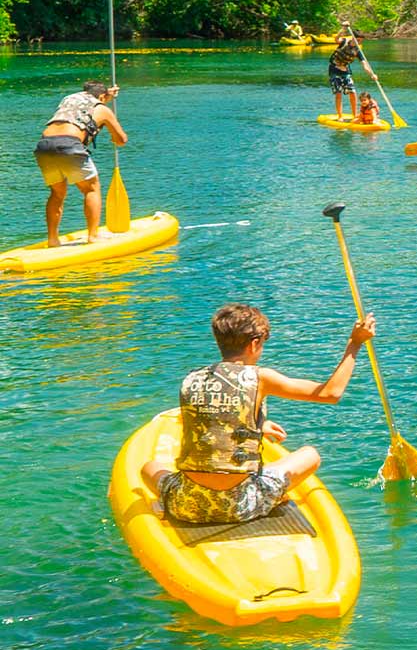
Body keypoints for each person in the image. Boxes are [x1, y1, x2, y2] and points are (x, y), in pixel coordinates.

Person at [141, 302, 376, 525]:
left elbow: (208, 418)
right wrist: (355, 343)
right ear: (254, 344)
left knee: (148, 467)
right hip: (240, 505)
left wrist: (258, 425)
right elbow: (330, 393)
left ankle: (165, 503)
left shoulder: (192, 378)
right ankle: (266, 498)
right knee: (310, 455)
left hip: (186, 504)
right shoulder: (260, 377)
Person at [35, 80, 128, 247]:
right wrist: (114, 135)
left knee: (57, 194)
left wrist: (108, 94)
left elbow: (88, 102)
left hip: (44, 146)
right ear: (101, 96)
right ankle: (93, 236)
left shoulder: (69, 99)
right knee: (91, 189)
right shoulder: (103, 110)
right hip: (69, 145)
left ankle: (53, 239)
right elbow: (121, 140)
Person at [329, 29, 367, 120]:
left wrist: (372, 74)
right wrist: (343, 29)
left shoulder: (358, 50)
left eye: (361, 40)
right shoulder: (344, 42)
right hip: (334, 70)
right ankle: (340, 116)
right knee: (339, 93)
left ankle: (355, 115)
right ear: (353, 38)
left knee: (352, 92)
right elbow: (336, 39)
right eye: (358, 40)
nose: (360, 42)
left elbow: (364, 64)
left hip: (346, 71)